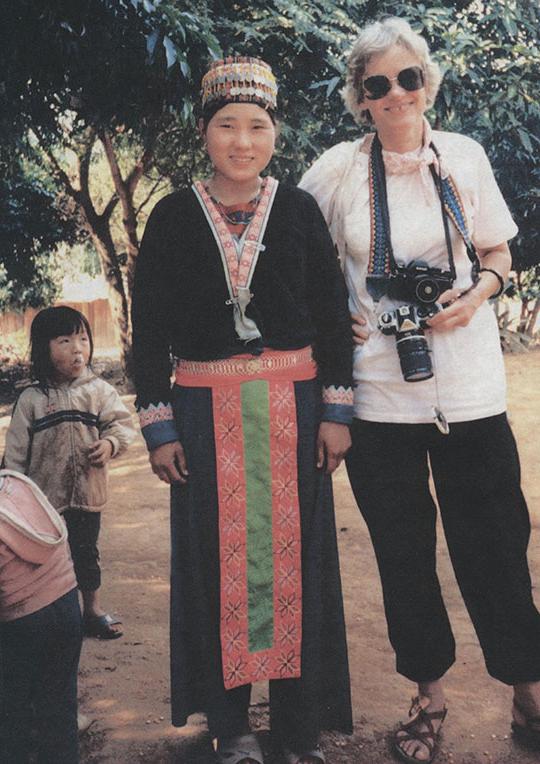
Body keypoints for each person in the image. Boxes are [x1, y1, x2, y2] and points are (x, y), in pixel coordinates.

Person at [300, 16, 540, 764]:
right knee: (403, 552)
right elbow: (295, 253)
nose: (397, 94)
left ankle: (528, 687)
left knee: (498, 545)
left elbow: (501, 249)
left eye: (409, 78)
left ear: (428, 82)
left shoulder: (463, 157)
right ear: (360, 99)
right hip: (377, 398)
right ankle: (428, 695)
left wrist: (476, 297)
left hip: (469, 387)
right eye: (379, 86)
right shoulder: (337, 170)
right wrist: (328, 312)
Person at [132, 56, 354, 764]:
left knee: (301, 564)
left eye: (256, 126)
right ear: (204, 133)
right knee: (210, 565)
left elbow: (330, 311)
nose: (241, 140)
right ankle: (231, 727)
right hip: (202, 415)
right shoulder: (171, 215)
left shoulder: (297, 210)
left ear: (274, 133)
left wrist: (336, 412)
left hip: (294, 406)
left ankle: (297, 729)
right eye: (226, 125)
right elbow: (148, 331)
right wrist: (159, 424)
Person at [3, 306, 135, 640]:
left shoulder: (99, 391)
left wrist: (109, 444)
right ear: (44, 349)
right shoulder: (32, 399)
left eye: (83, 338)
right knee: (45, 562)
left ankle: (91, 611)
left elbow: (120, 425)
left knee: (86, 554)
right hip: (41, 503)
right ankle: (53, 617)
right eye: (65, 340)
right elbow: (16, 453)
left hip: (87, 493)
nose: (77, 348)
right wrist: (12, 496)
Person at [0, 469, 82, 763]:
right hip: (68, 604)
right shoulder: (18, 484)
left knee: (12, 717)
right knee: (59, 709)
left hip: (23, 623)